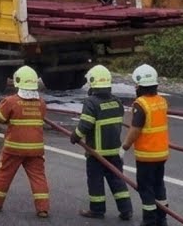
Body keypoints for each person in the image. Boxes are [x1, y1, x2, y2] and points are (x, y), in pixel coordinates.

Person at [0, 65, 50, 218]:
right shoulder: (41, 103)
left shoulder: (11, 101)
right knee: (38, 176)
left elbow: (0, 118)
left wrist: (3, 104)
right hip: (36, 149)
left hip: (14, 148)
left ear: (18, 81)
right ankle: (43, 208)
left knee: (4, 174)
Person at [72, 65, 134, 220]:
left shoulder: (91, 102)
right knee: (117, 180)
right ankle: (126, 210)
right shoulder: (117, 102)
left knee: (95, 182)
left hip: (96, 153)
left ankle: (97, 210)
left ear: (92, 83)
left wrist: (75, 136)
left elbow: (85, 125)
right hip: (114, 151)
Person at [122, 64, 169, 226]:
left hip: (146, 155)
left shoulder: (140, 104)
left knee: (146, 188)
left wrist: (124, 147)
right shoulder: (162, 101)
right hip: (161, 153)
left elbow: (135, 129)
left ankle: (149, 221)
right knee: (159, 186)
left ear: (140, 85)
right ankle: (162, 219)